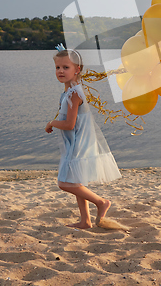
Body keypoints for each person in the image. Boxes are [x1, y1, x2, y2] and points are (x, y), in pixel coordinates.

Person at [45, 47, 122, 229]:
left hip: (78, 143)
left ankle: (101, 202)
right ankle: (85, 220)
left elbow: (69, 125)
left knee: (64, 183)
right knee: (76, 180)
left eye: (66, 67)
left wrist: (51, 123)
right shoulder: (71, 91)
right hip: (75, 141)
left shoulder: (73, 94)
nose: (60, 71)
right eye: (57, 67)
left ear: (77, 69)